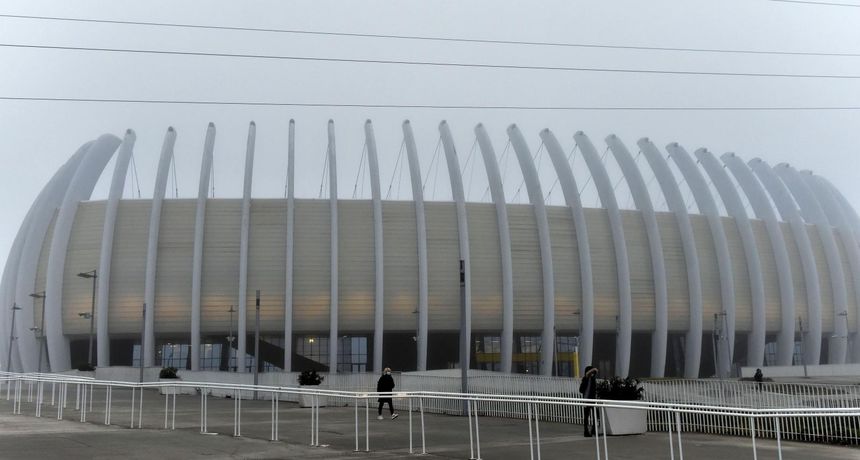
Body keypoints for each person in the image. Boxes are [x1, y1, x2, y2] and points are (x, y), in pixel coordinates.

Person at [579, 365, 599, 437]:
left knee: (596, 415)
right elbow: (581, 390)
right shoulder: (585, 379)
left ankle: (593, 430)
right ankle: (586, 431)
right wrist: (593, 369)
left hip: (593, 399)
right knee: (586, 416)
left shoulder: (593, 379)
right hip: (586, 399)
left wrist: (594, 371)